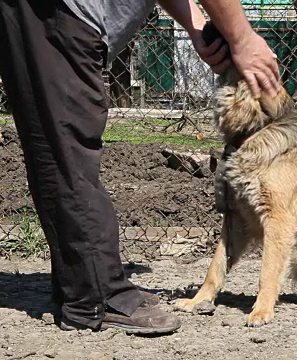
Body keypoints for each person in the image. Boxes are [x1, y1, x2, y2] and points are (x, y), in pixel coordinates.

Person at [0, 0, 280, 335]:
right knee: (66, 148)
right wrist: (242, 38)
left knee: (62, 142)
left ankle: (78, 285)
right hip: (56, 14)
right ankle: (96, 297)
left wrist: (194, 24)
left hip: (59, 17)